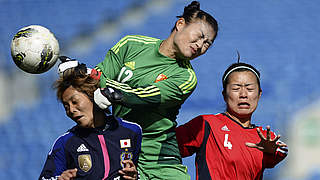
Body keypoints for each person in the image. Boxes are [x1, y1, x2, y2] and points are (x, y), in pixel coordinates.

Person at [88, 1, 219, 179]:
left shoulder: (187, 78)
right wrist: (80, 73)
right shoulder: (131, 44)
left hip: (160, 161)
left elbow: (145, 96)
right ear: (180, 24)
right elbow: (98, 77)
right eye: (200, 35)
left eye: (207, 43)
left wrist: (110, 90)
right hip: (121, 153)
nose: (200, 44)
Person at [175, 62, 288, 180]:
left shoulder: (265, 137)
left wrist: (271, 149)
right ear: (224, 94)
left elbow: (282, 151)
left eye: (250, 89)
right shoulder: (206, 124)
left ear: (259, 94)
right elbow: (164, 145)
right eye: (236, 88)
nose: (243, 94)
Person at [39, 64, 142, 180]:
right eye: (66, 106)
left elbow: (145, 171)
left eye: (75, 102)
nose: (71, 110)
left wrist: (135, 176)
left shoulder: (132, 131)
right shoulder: (65, 143)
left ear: (92, 95)